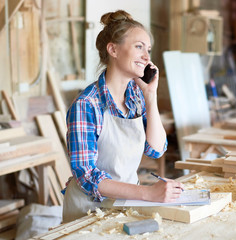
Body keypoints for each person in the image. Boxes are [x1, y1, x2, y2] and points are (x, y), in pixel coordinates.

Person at [62, 9, 184, 223]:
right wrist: (148, 193)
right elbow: (87, 176)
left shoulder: (136, 96)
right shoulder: (87, 105)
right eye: (139, 47)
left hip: (124, 204)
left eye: (148, 49)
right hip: (88, 212)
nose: (146, 57)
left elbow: (156, 149)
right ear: (113, 50)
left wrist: (150, 96)